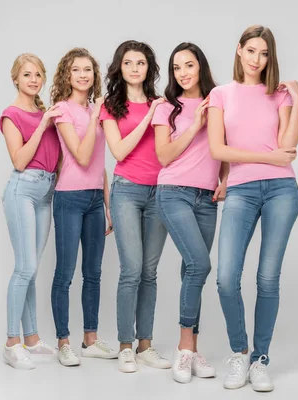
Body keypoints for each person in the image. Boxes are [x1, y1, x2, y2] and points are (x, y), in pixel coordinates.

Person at [207, 25, 298, 392]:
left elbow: (288, 147)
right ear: (239, 50)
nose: (256, 60)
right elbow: (218, 149)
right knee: (226, 277)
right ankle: (238, 351)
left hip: (282, 189)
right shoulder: (221, 94)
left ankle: (260, 358)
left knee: (267, 278)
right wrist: (266, 158)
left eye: (264, 54)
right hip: (242, 190)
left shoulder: (278, 95)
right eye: (251, 51)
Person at [152, 42, 228, 383]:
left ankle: (194, 349)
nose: (182, 73)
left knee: (190, 273)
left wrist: (224, 179)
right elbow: (164, 156)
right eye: (177, 67)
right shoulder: (166, 107)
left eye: (189, 65)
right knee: (200, 265)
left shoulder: (219, 102)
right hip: (173, 193)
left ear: (201, 67)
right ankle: (184, 347)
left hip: (207, 198)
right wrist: (195, 125)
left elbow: (226, 145)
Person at [100, 40, 170, 373]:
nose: (134, 68)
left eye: (140, 62)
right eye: (128, 62)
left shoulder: (162, 103)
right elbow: (119, 151)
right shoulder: (111, 106)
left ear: (149, 68)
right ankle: (125, 345)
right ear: (120, 67)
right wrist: (149, 117)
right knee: (131, 270)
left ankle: (146, 345)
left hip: (160, 193)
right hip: (127, 191)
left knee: (149, 272)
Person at [49, 47, 116, 367]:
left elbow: (100, 164)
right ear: (67, 74)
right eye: (76, 69)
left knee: (94, 272)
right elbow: (82, 155)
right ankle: (63, 340)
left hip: (92, 199)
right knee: (65, 273)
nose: (83, 74)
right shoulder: (62, 110)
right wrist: (94, 118)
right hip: (69, 198)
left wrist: (108, 204)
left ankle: (90, 338)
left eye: (88, 69)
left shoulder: (96, 110)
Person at [0, 53, 61, 370]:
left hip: (46, 193)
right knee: (24, 267)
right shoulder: (11, 115)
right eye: (27, 75)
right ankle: (12, 343)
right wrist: (43, 125)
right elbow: (20, 160)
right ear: (16, 79)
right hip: (22, 190)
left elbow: (59, 155)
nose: (34, 79)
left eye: (38, 74)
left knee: (32, 268)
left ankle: (32, 339)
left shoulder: (45, 111)